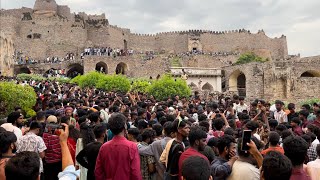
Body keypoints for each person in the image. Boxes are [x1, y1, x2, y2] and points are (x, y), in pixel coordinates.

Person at [5, 123, 80, 180]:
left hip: (18, 167)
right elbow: (42, 155)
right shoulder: (38, 139)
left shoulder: (21, 138)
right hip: (35, 166)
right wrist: (63, 142)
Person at [95, 113, 142, 180]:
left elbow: (98, 172)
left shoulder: (104, 147)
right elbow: (135, 173)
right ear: (124, 127)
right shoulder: (132, 147)